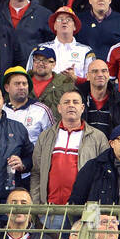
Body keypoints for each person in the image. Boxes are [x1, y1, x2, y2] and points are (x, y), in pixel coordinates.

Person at [30, 89, 109, 219]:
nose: (71, 105)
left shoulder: (98, 137)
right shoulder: (45, 136)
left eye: (75, 102)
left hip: (84, 212)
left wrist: (93, 211)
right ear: (59, 108)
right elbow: (36, 173)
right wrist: (38, 206)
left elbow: (104, 176)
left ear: (82, 108)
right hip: (49, 211)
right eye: (66, 102)